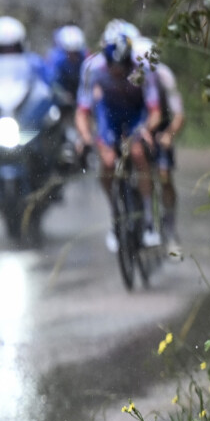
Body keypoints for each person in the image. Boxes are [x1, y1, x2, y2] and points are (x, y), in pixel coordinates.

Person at [74, 21, 163, 250]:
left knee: (138, 153)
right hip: (109, 114)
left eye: (122, 67)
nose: (118, 72)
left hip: (136, 113)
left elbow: (154, 111)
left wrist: (147, 130)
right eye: (113, 67)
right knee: (107, 162)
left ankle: (149, 220)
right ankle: (115, 216)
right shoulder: (92, 67)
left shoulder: (143, 66)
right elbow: (83, 111)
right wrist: (85, 136)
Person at [133, 37, 187, 254]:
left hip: (160, 128)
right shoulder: (128, 74)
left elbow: (179, 114)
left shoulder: (164, 76)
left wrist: (169, 135)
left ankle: (170, 228)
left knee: (164, 176)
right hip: (136, 126)